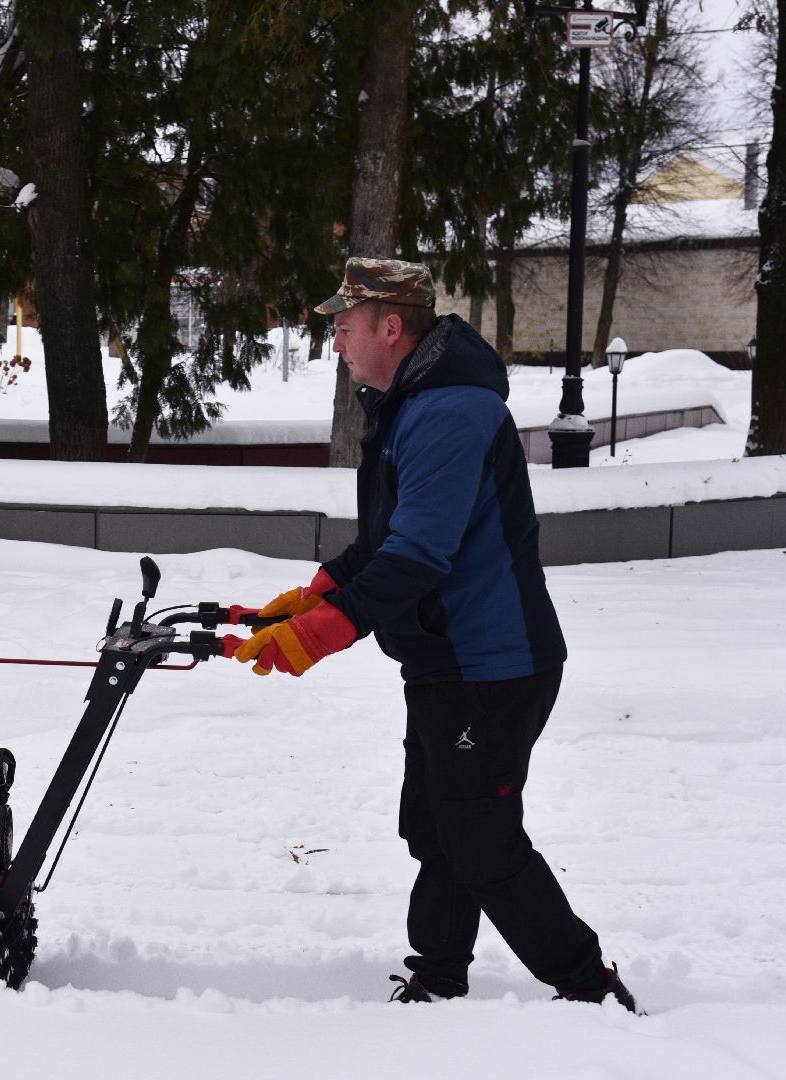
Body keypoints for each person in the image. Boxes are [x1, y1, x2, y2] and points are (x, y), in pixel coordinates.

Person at [234, 257, 637, 1012]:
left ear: (392, 327)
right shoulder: (410, 404)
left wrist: (323, 632)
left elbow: (420, 556)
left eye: (345, 329)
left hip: (493, 663)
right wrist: (315, 594)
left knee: (479, 835)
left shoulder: (449, 412)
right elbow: (386, 539)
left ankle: (588, 984)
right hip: (445, 660)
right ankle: (440, 972)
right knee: (435, 825)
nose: (338, 346)